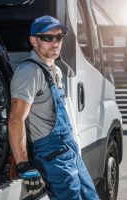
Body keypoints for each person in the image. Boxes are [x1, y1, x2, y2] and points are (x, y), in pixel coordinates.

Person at [8, 15, 100, 199]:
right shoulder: (29, 72)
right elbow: (16, 119)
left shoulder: (55, 71)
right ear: (34, 40)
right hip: (52, 156)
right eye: (48, 38)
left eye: (58, 37)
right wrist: (23, 165)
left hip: (69, 151)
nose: (55, 42)